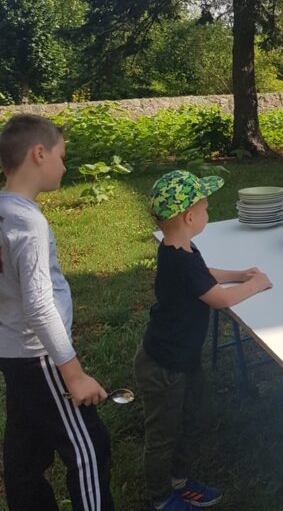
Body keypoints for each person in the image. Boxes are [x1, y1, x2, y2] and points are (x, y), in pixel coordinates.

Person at [135, 169, 273, 511]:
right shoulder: (177, 259)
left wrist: (239, 274)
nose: (209, 213)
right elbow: (220, 299)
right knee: (163, 435)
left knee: (188, 419)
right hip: (163, 366)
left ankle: (180, 480)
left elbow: (205, 274)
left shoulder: (180, 249)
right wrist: (255, 285)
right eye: (207, 207)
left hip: (181, 359)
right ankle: (161, 497)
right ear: (190, 215)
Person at [0, 114, 114, 511]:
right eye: (62, 157)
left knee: (25, 452)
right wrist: (74, 374)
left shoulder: (3, 211)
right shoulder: (28, 221)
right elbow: (38, 302)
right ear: (39, 154)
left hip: (13, 354)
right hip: (40, 357)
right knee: (88, 449)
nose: (65, 166)